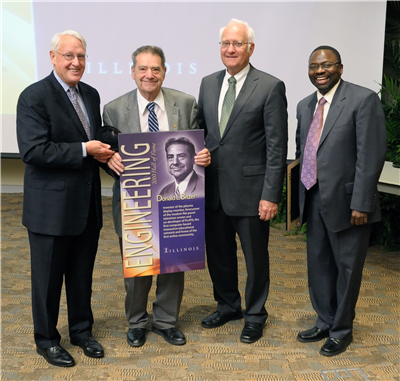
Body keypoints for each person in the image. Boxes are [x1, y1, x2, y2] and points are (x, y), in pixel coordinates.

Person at [16, 30, 114, 367]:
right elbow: (33, 150)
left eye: (81, 56)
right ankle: (47, 340)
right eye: (69, 55)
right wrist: (86, 149)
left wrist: (109, 140)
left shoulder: (91, 93)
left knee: (81, 274)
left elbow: (92, 134)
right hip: (50, 210)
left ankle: (82, 331)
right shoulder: (34, 96)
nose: (76, 62)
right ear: (53, 57)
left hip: (86, 206)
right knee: (47, 280)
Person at [103, 45, 210, 347]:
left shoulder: (186, 104)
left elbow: (200, 146)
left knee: (173, 263)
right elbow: (109, 156)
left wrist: (203, 157)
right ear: (133, 72)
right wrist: (110, 162)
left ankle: (165, 321)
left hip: (178, 199)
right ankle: (136, 322)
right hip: (133, 202)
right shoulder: (113, 108)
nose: (149, 75)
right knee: (138, 265)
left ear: (165, 71)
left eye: (156, 69)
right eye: (143, 69)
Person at [198, 19, 288, 343]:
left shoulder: (269, 86)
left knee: (255, 259)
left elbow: (277, 147)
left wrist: (271, 195)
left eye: (237, 44)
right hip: (212, 189)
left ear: (250, 48)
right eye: (225, 43)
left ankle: (255, 315)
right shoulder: (208, 83)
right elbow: (202, 134)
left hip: (251, 192)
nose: (230, 49)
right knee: (219, 254)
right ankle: (227, 305)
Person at [295, 46, 387, 356]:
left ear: (340, 68)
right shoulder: (305, 105)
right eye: (313, 66)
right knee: (319, 265)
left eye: (326, 65)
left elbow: (371, 155)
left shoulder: (362, 100)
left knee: (347, 269)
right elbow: (304, 152)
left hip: (350, 205)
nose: (319, 71)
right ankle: (324, 319)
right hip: (314, 197)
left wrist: (361, 202)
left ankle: (342, 329)